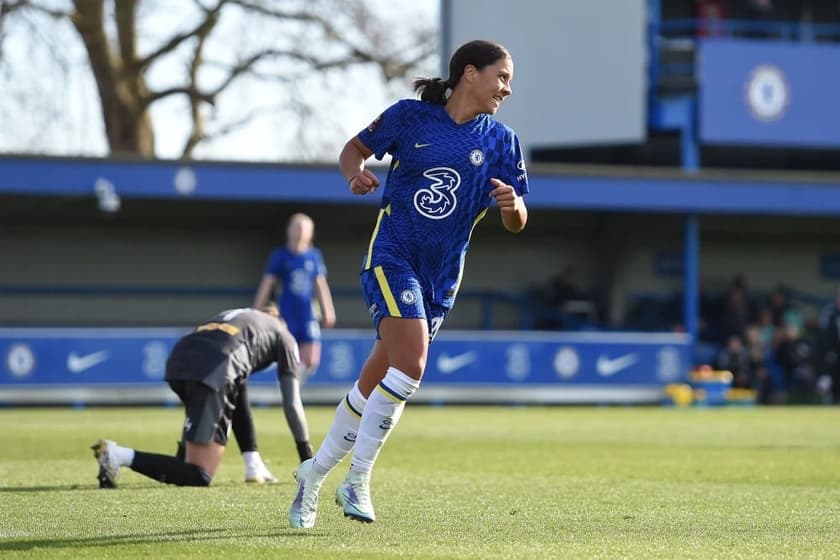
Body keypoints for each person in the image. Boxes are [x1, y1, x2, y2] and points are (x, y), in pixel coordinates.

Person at [288, 39, 529, 528]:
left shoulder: (501, 140)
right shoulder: (409, 117)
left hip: (441, 277)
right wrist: (354, 173)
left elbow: (519, 218)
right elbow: (354, 149)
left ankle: (311, 478)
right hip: (392, 255)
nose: (507, 88)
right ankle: (357, 480)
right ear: (469, 72)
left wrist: (512, 208)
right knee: (412, 366)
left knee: (376, 381)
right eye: (502, 77)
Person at [90, 303, 314, 488]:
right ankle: (117, 455)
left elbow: (238, 391)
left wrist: (252, 460)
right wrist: (307, 458)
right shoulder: (283, 334)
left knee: (182, 464)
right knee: (199, 475)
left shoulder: (239, 318)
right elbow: (292, 403)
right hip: (214, 368)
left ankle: (253, 465)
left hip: (179, 360)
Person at [253, 213, 336, 379]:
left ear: (310, 233)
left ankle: (293, 387)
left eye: (303, 228)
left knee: (312, 360)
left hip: (308, 315)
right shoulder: (280, 255)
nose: (299, 231)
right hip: (286, 314)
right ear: (289, 230)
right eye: (296, 227)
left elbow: (321, 285)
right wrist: (255, 311)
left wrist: (328, 311)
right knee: (289, 356)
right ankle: (289, 390)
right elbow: (267, 284)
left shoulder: (313, 256)